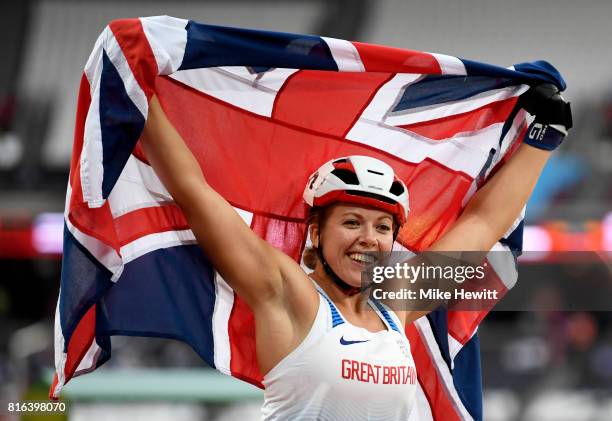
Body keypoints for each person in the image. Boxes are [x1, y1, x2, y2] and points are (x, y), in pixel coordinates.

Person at [140, 84, 571, 420]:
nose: (370, 239)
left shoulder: (396, 304)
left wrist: (542, 140)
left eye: (383, 228)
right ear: (315, 232)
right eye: (351, 222)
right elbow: (194, 192)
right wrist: (138, 96)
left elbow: (482, 223)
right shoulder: (289, 294)